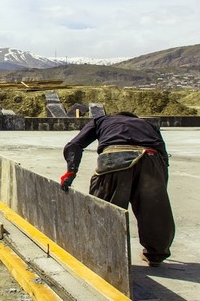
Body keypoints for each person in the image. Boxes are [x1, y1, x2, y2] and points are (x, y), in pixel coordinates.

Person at [60, 111, 175, 267]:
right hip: (151, 158)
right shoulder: (148, 125)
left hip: (115, 157)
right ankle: (156, 254)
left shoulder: (101, 120)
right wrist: (159, 187)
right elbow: (163, 154)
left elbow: (75, 144)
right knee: (154, 211)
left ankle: (102, 254)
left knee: (105, 208)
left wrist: (71, 171)